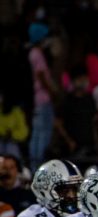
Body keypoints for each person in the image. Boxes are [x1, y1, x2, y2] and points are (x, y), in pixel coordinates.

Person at [27, 21, 58, 166]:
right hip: (42, 99)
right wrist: (51, 91)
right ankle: (37, 166)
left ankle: (38, 164)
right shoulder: (36, 53)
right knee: (41, 133)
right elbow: (40, 75)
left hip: (41, 98)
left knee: (41, 132)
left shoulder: (35, 53)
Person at [53, 64, 97, 156]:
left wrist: (97, 142)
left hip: (89, 145)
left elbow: (94, 122)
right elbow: (58, 123)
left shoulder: (90, 99)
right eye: (81, 78)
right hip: (71, 147)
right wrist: (69, 141)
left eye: (85, 78)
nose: (84, 81)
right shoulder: (67, 101)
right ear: (74, 80)